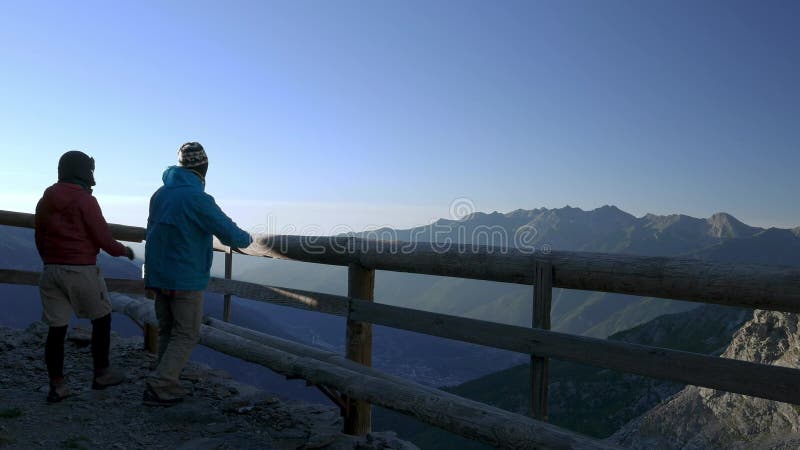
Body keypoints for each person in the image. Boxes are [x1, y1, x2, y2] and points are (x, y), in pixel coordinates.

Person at [143, 142, 252, 406]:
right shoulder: (198, 199)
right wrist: (247, 238)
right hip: (185, 277)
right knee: (187, 333)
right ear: (204, 168)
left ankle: (164, 378)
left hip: (159, 274)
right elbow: (230, 234)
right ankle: (161, 384)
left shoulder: (160, 194)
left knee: (168, 329)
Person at [35, 150, 134, 403]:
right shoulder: (86, 201)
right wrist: (125, 251)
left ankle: (57, 385)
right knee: (102, 317)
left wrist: (49, 260)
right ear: (84, 172)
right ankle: (101, 373)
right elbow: (103, 238)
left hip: (51, 270)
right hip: (81, 269)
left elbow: (39, 236)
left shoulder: (45, 199)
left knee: (56, 330)